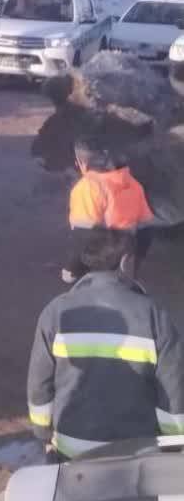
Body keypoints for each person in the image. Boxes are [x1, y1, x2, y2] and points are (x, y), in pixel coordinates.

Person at [28, 229, 184, 460]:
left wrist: (43, 434)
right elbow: (172, 388)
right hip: (137, 452)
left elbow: (39, 385)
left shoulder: (55, 312)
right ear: (125, 261)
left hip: (72, 450)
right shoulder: (155, 315)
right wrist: (173, 443)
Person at [64, 140, 154, 281]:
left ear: (81, 163)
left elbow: (83, 235)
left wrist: (72, 269)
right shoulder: (134, 184)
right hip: (125, 260)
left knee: (74, 283)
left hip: (96, 265)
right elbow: (145, 230)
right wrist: (135, 261)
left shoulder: (88, 188)